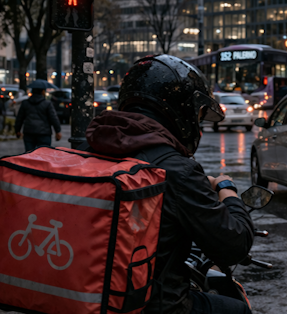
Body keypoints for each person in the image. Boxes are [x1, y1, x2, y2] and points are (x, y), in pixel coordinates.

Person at [81, 55, 255, 314]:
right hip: (157, 306)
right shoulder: (177, 169)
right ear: (180, 110)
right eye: (196, 113)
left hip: (93, 300)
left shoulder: (88, 150)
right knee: (236, 310)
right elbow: (234, 245)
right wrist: (226, 189)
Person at [14, 79, 62, 151]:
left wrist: (17, 130)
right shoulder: (47, 104)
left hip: (29, 132)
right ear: (43, 91)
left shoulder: (25, 103)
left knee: (29, 154)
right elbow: (53, 118)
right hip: (44, 133)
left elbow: (20, 118)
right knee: (44, 154)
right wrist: (57, 131)